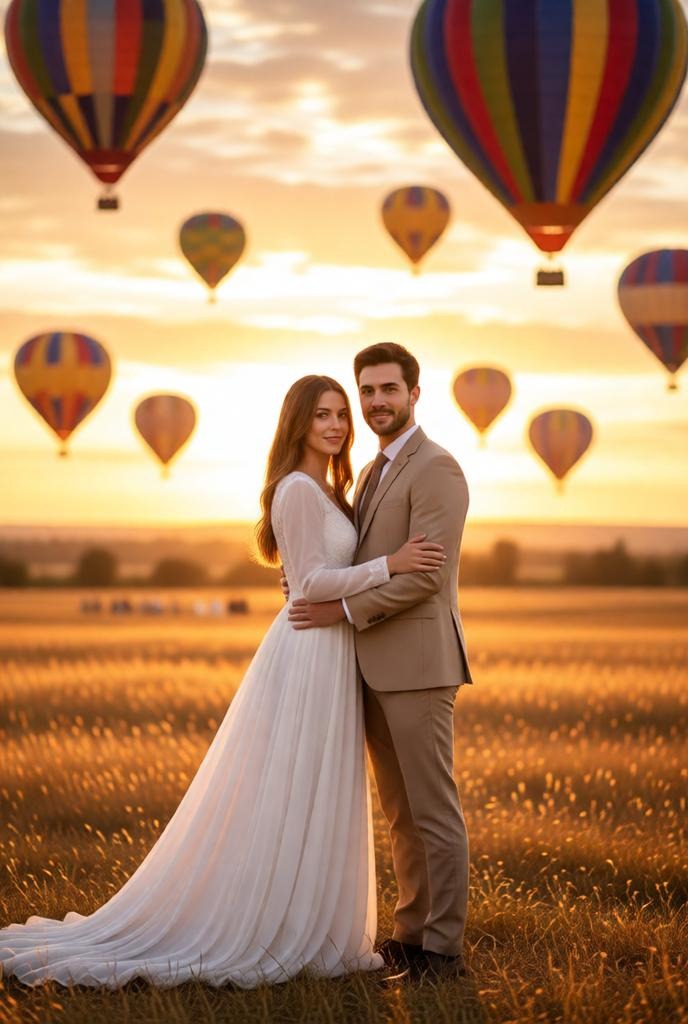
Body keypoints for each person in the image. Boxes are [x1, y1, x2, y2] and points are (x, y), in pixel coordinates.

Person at [0, 375, 445, 990]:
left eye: (343, 413)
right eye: (323, 415)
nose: (338, 425)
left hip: (333, 648)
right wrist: (389, 564)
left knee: (317, 786)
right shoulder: (295, 488)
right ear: (297, 423)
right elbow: (312, 582)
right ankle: (266, 922)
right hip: (311, 649)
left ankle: (308, 916)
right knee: (291, 786)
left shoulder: (331, 487)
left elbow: (311, 573)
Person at [288, 344, 473, 982]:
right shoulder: (369, 473)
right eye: (366, 392)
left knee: (433, 808)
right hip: (370, 668)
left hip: (419, 662)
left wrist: (341, 613)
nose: (374, 404)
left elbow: (426, 578)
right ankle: (409, 932)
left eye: (387, 390)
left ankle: (442, 949)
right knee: (399, 811)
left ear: (415, 394)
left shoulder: (437, 469)